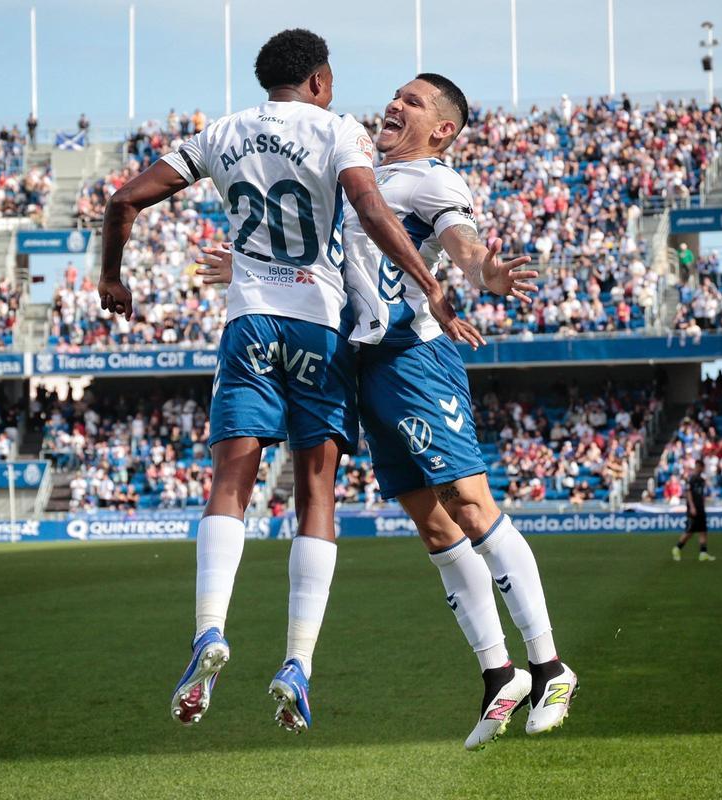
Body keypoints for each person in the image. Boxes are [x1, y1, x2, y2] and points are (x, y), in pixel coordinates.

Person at [97, 29, 481, 734]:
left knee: (230, 485)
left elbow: (122, 203)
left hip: (250, 320)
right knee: (314, 493)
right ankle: (297, 661)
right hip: (318, 325)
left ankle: (209, 631)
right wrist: (431, 284)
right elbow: (370, 209)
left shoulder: (222, 133)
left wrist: (112, 278)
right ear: (321, 81)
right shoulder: (338, 131)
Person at [197, 73, 575, 749]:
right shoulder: (355, 177)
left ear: (443, 131)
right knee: (431, 526)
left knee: (468, 501)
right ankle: (498, 677)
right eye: (396, 96)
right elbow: (332, 259)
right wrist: (247, 268)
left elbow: (463, 242)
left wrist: (484, 271)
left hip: (414, 360)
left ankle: (550, 666)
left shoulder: (432, 179)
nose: (394, 105)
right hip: (360, 365)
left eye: (414, 102)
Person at [672, 468, 715, 562]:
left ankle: (703, 553)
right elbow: (688, 493)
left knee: (703, 530)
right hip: (694, 509)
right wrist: (692, 507)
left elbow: (704, 493)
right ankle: (677, 548)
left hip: (700, 509)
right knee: (690, 532)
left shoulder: (701, 480)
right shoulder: (691, 481)